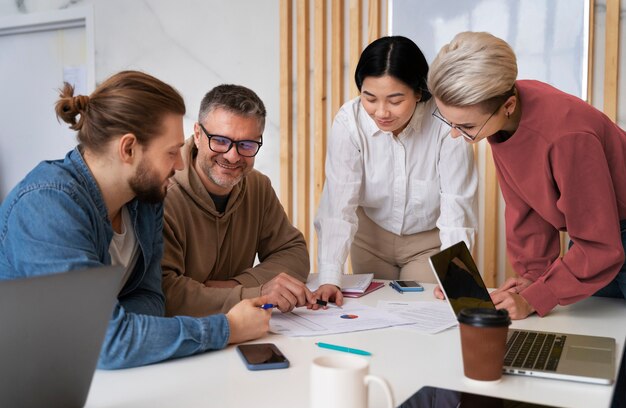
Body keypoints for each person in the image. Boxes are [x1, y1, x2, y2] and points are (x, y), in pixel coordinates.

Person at [0, 71, 270, 370]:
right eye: (171, 152)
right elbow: (100, 342)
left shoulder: (145, 200)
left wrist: (123, 329)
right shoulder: (47, 206)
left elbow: (151, 299)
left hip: (93, 377)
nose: (180, 164)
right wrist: (227, 328)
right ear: (128, 149)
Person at [427, 31, 626, 320]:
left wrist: (536, 298)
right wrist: (535, 276)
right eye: (449, 121)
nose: (456, 134)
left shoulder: (567, 135)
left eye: (466, 126)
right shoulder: (503, 112)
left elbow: (599, 244)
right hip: (596, 243)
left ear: (507, 106)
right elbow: (527, 211)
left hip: (604, 241)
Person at [313, 36, 478, 305]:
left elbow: (457, 205)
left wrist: (457, 279)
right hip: (370, 239)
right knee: (371, 315)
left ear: (418, 91)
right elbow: (338, 203)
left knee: (423, 311)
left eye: (395, 100)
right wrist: (330, 277)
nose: (381, 112)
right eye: (370, 98)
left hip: (427, 243)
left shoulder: (445, 122)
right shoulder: (349, 122)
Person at [161, 84, 314, 316]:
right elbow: (165, 292)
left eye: (246, 145)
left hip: (245, 331)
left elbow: (294, 253)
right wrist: (252, 294)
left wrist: (236, 285)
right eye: (220, 141)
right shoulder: (162, 194)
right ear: (198, 134)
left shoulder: (257, 186)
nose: (232, 156)